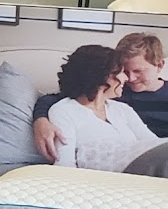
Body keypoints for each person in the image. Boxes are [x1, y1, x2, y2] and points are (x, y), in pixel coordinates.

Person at [33, 31, 168, 160]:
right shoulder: (111, 90)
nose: (130, 78)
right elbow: (52, 100)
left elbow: (154, 143)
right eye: (125, 71)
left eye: (138, 71)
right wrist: (41, 121)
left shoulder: (119, 99)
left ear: (160, 65)